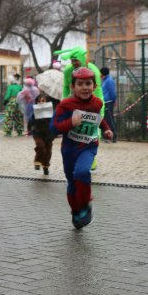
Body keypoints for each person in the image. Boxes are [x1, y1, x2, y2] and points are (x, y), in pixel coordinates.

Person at [50, 67, 113, 229]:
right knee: (72, 181)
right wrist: (70, 123)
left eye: (88, 84)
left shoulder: (97, 102)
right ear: (72, 87)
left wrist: (106, 129)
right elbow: (54, 128)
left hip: (88, 146)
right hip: (69, 149)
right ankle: (76, 212)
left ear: (95, 86)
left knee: (82, 172)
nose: (84, 87)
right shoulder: (66, 105)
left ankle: (85, 207)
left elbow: (98, 118)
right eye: (80, 84)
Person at [54, 46, 104, 170]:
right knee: (74, 131)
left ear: (83, 58)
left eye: (76, 60)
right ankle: (76, 157)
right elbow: (66, 87)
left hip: (92, 104)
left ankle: (90, 159)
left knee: (92, 133)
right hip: (73, 104)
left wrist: (97, 109)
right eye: (72, 60)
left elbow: (97, 91)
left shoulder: (93, 71)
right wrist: (64, 103)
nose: (73, 63)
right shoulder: (68, 71)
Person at [28, 92, 55, 175]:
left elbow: (55, 123)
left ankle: (45, 166)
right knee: (41, 146)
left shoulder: (52, 113)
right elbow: (30, 121)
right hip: (38, 133)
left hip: (49, 134)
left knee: (48, 151)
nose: (41, 103)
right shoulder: (35, 112)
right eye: (39, 101)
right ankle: (37, 162)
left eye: (43, 101)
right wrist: (29, 129)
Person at [100, 67, 117, 142]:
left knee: (109, 119)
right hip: (105, 102)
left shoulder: (109, 81)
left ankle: (114, 137)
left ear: (102, 73)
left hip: (109, 102)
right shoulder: (105, 80)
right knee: (106, 119)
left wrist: (113, 100)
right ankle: (107, 137)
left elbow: (112, 92)